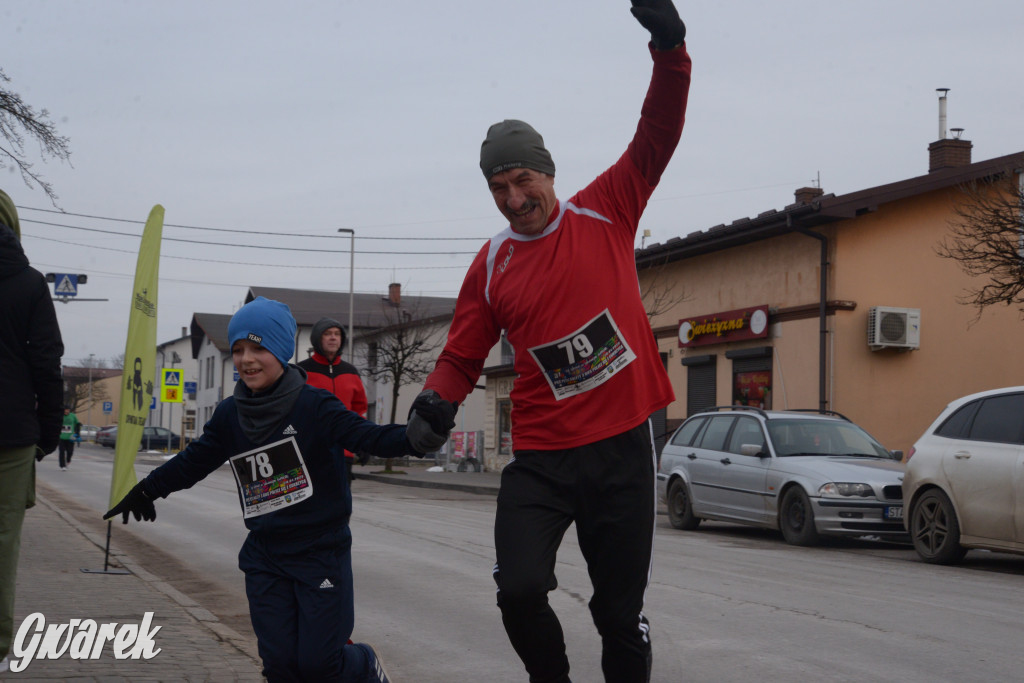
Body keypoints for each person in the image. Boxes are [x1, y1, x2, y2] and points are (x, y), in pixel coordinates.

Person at [405, 2, 691, 680]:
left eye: (522, 180)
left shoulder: (609, 207)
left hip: (622, 445)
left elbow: (659, 130)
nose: (512, 198)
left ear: (548, 173)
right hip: (542, 457)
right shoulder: (493, 261)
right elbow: (462, 353)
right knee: (520, 587)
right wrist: (434, 402)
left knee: (619, 616)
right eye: (498, 187)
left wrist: (669, 45)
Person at [104, 297, 414, 683]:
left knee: (320, 666)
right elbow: (194, 461)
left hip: (320, 552)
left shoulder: (315, 405)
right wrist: (146, 490)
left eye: (258, 348)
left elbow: (368, 436)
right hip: (266, 556)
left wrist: (415, 436)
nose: (246, 359)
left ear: (281, 351)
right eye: (238, 350)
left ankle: (364, 662)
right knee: (281, 668)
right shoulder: (231, 414)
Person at [0, 190, 64, 675]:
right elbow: (46, 363)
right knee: (3, 543)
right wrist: (50, 429)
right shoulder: (28, 283)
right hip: (10, 436)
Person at [298, 317, 368, 481]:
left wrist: (362, 441)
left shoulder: (350, 372)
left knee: (340, 505)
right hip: (308, 452)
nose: (333, 337)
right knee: (308, 506)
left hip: (342, 453)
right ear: (317, 339)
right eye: (327, 334)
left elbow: (358, 411)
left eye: (337, 334)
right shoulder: (300, 371)